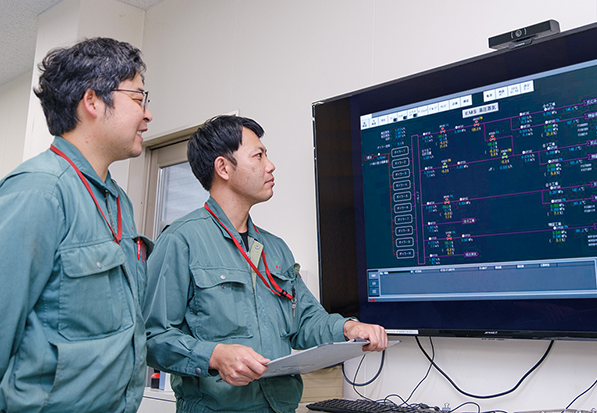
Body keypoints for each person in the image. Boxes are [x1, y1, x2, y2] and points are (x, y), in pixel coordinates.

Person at [144, 115, 388, 413]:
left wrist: (349, 327)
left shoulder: (276, 249)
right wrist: (214, 356)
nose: (270, 165)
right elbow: (151, 338)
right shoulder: (181, 240)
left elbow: (307, 321)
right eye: (258, 156)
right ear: (223, 168)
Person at [0, 37, 154, 412]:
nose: (147, 114)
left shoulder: (118, 201)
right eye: (138, 99)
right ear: (92, 101)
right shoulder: (38, 191)